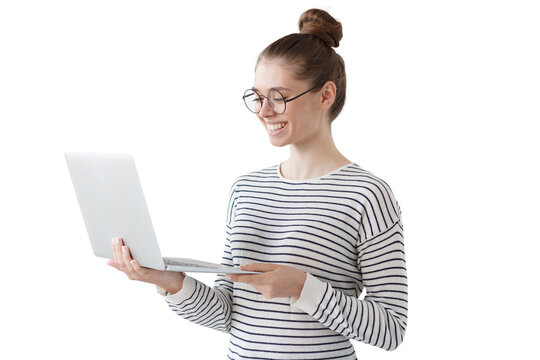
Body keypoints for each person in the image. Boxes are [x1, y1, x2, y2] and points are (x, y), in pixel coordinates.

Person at [107, 8, 408, 359]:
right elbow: (226, 314)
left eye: (279, 97)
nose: (264, 111)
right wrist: (167, 280)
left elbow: (391, 328)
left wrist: (302, 287)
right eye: (258, 97)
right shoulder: (246, 189)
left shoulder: (367, 195)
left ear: (325, 95)